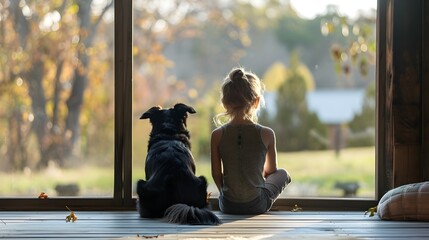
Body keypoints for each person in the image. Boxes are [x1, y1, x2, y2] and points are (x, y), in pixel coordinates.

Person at [211, 66, 291, 214]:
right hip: (257, 205)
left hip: (227, 205)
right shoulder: (267, 134)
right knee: (283, 174)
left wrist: (225, 193)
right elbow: (271, 172)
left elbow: (216, 173)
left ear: (224, 102)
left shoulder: (217, 135)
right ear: (256, 101)